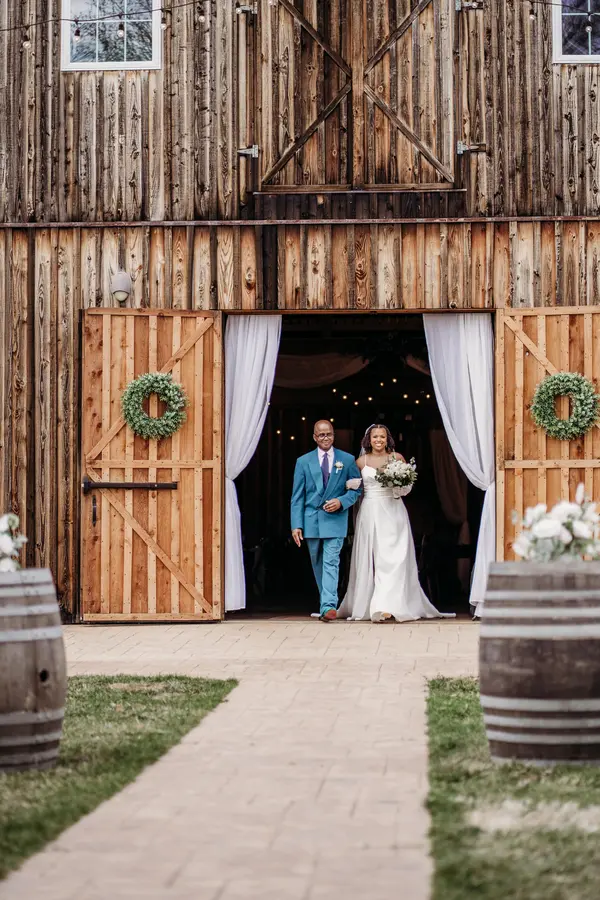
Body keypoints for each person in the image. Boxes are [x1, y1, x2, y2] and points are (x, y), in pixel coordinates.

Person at [337, 424, 454, 623]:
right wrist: (350, 485)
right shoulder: (360, 462)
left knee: (395, 559)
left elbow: (407, 489)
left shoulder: (397, 458)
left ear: (387, 439)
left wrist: (399, 485)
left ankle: (391, 605)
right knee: (375, 559)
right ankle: (373, 605)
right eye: (375, 437)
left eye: (382, 437)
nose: (379, 440)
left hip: (394, 511)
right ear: (369, 440)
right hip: (370, 512)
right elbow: (353, 488)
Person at [291, 420, 362, 621]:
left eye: (329, 434)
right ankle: (326, 603)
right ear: (314, 437)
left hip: (335, 519)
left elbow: (356, 489)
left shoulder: (347, 459)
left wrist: (341, 501)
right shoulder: (303, 461)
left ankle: (328, 605)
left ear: (334, 435)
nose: (325, 438)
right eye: (321, 435)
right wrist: (296, 525)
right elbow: (297, 496)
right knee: (318, 563)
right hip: (311, 520)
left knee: (331, 561)